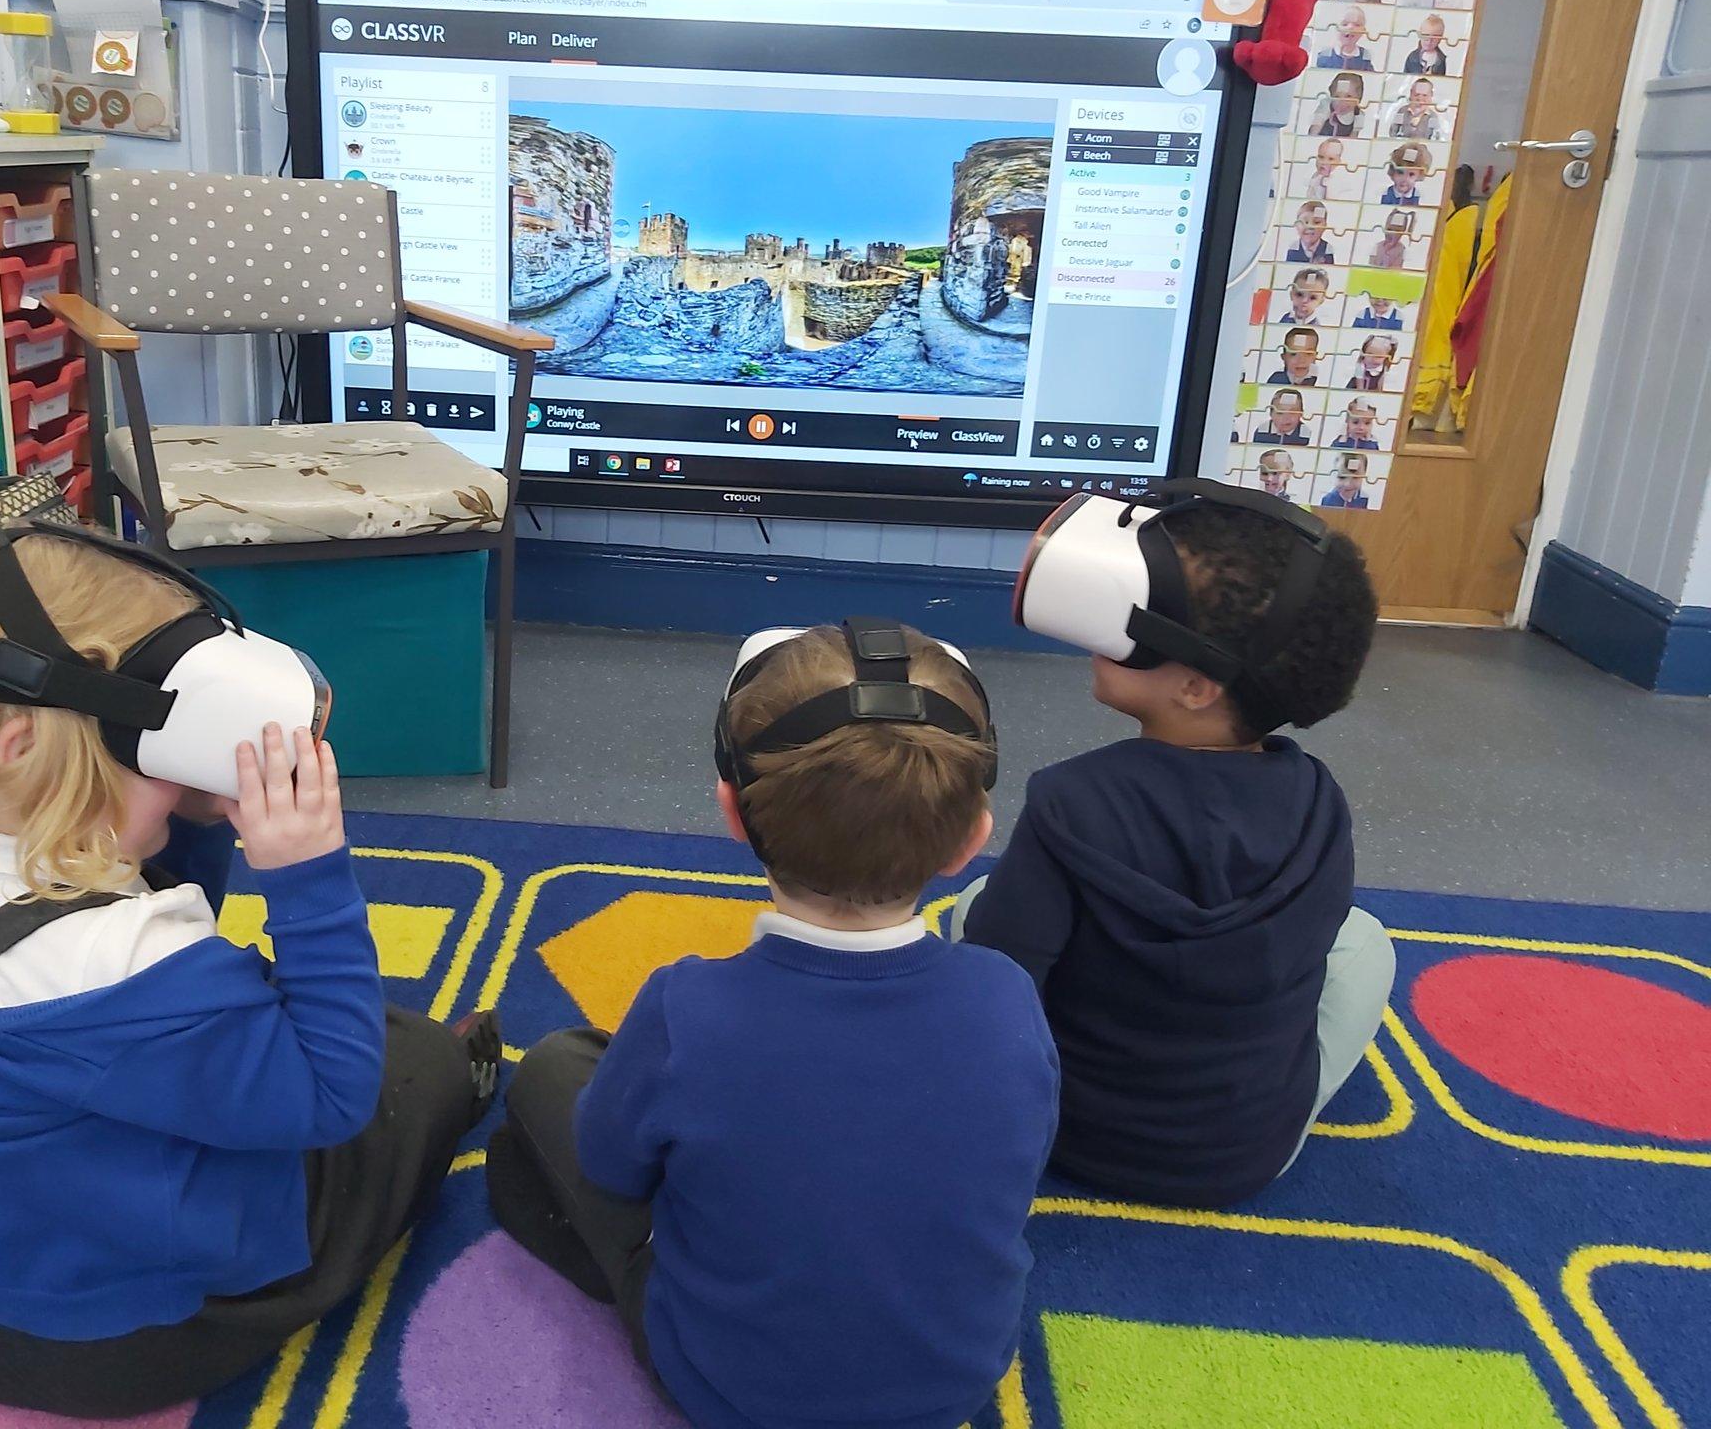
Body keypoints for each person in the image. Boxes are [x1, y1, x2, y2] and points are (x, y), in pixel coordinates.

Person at [0, 529, 500, 1418]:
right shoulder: (132, 952)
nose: (173, 764)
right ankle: (457, 1085)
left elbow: (128, 959)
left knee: (295, 1039)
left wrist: (183, 813)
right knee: (403, 1069)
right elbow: (329, 1097)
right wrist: (306, 878)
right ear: (23, 747)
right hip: (120, 1344)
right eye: (149, 747)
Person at [488, 622, 1058, 1429]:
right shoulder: (1008, 997)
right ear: (973, 839)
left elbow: (612, 1172)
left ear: (733, 812)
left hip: (727, 1391)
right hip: (952, 1389)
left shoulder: (686, 1006)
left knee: (554, 1069)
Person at [958, 493, 1389, 1207]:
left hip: (1073, 1136)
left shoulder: (1070, 801)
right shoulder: (1319, 801)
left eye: (1137, 613)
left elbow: (1000, 981)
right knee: (1365, 942)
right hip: (1248, 1151)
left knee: (976, 904)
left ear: (1195, 686)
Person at [1314, 72, 1367, 138]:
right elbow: (1314, 128)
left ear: (1358, 98)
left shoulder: (1359, 115)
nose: (1342, 101)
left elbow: (1354, 137)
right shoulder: (1326, 106)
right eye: (1337, 96)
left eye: (1348, 96)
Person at [1283, 200, 1336, 265]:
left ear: (1325, 226)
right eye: (1305, 222)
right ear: (1297, 225)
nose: (1310, 227)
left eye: (1316, 222)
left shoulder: (1327, 249)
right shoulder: (1293, 247)